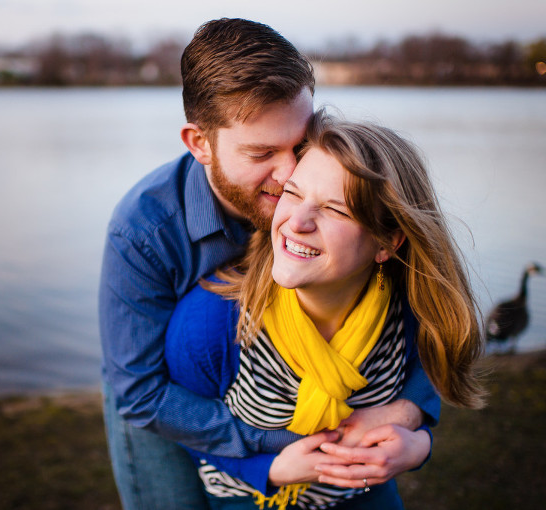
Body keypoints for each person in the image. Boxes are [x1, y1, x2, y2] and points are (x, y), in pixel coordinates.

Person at [99, 18, 440, 509]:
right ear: (199, 144)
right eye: (262, 153)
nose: (290, 174)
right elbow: (141, 392)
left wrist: (411, 414)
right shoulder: (143, 232)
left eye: (299, 144)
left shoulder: (336, 195)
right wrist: (278, 452)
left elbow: (427, 312)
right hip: (166, 400)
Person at [165, 112, 487, 509]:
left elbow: (429, 372)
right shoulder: (210, 323)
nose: (296, 222)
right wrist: (269, 469)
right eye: (293, 193)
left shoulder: (410, 311)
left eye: (335, 209)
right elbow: (190, 430)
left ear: (387, 242)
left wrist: (417, 441)